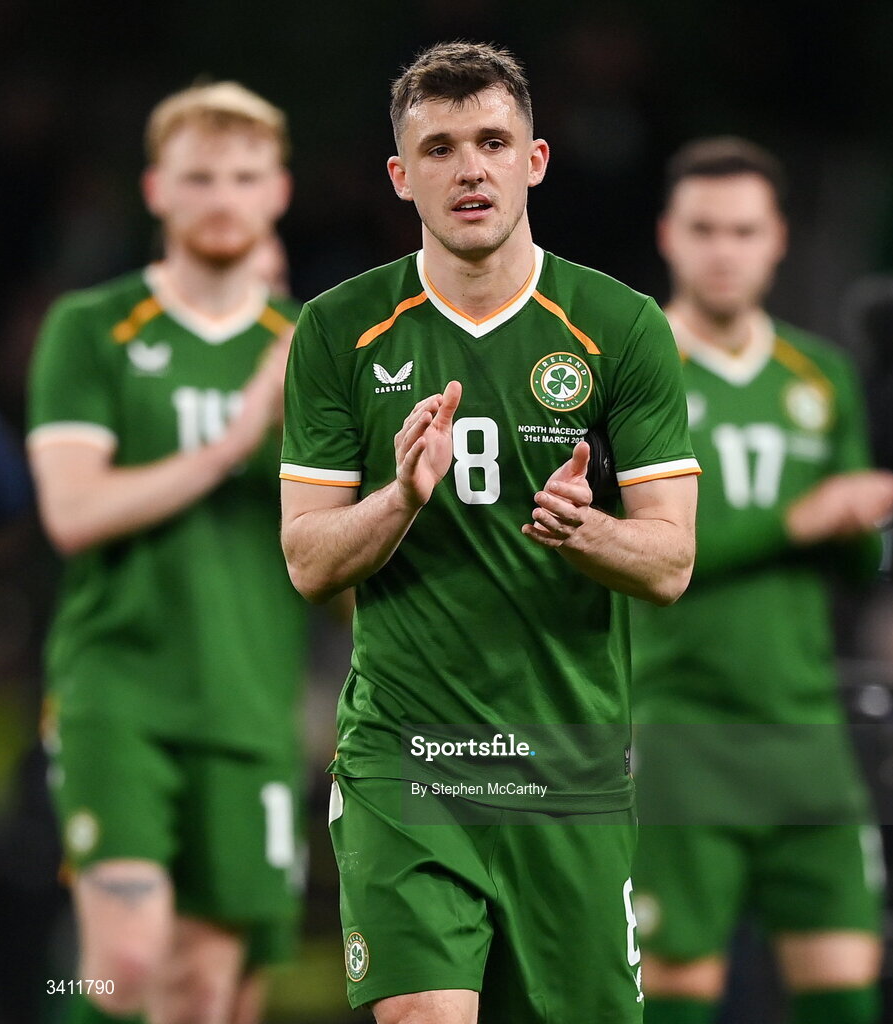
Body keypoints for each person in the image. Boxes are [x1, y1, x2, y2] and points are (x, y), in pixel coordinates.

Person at [280, 41, 700, 1024]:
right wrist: (398, 501)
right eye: (438, 148)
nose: (468, 167)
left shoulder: (620, 326)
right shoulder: (340, 330)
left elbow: (670, 561)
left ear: (534, 160)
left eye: (491, 141)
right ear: (400, 175)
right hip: (406, 758)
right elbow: (307, 561)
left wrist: (582, 530)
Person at [27, 82, 307, 1024]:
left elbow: (333, 560)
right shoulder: (93, 326)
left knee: (202, 989)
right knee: (123, 967)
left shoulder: (317, 351)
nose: (222, 194)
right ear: (157, 190)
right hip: (120, 686)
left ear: (279, 192)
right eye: (199, 176)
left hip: (251, 695)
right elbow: (72, 510)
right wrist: (234, 443)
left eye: (244, 175)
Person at [630, 137, 893, 1024]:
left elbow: (858, 562)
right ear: (669, 235)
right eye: (705, 229)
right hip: (677, 731)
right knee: (676, 993)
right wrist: (800, 519)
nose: (724, 250)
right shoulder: (631, 369)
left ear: (777, 238)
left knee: (846, 984)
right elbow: (633, 550)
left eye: (744, 230)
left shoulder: (820, 375)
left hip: (803, 726)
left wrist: (869, 521)